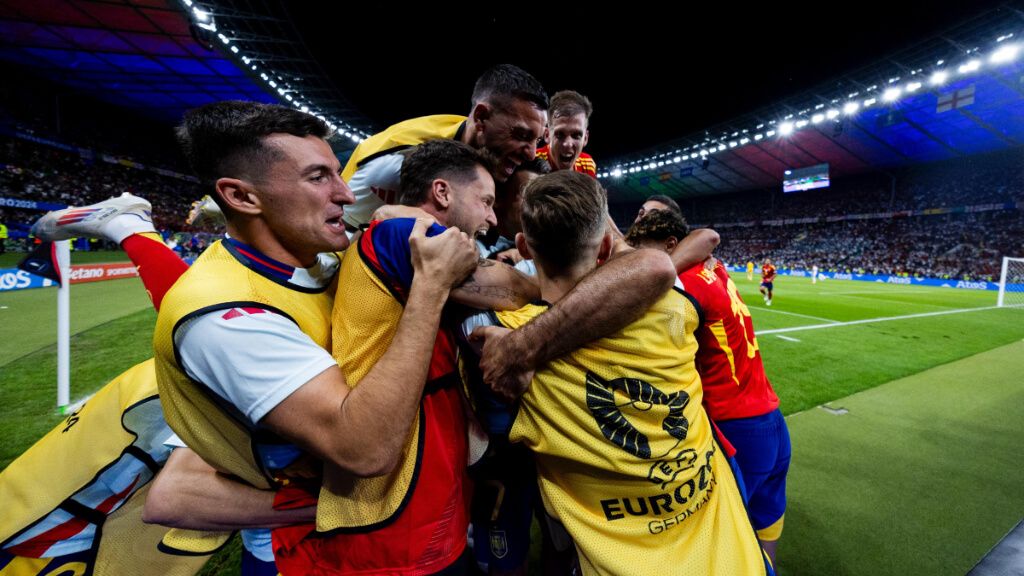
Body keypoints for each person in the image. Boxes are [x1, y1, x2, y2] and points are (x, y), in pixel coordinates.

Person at [151, 101, 480, 574]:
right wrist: (429, 289)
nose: (346, 194)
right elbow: (364, 449)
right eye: (318, 177)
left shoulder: (314, 262)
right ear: (242, 197)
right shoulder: (226, 317)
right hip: (316, 551)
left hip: (385, 524)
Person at [473, 171, 770, 575]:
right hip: (734, 560)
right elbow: (658, 260)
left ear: (524, 246)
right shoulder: (675, 309)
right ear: (606, 248)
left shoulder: (504, 343)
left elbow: (463, 278)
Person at [0, 358, 304, 576]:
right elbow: (175, 497)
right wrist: (333, 509)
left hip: (35, 507)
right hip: (39, 542)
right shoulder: (244, 366)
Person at [626, 209, 791, 566]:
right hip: (772, 420)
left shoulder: (682, 287)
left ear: (672, 246)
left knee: (729, 542)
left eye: (645, 249)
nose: (640, 259)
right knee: (767, 523)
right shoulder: (715, 269)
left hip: (735, 428)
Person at [341, 64, 548, 230]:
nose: (531, 154)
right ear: (481, 118)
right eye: (522, 135)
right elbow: (341, 232)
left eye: (537, 141)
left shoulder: (502, 160)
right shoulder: (393, 163)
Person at [535, 90, 597, 177]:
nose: (567, 144)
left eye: (576, 135)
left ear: (585, 139)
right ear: (547, 135)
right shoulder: (533, 162)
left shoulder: (587, 164)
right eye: (560, 134)